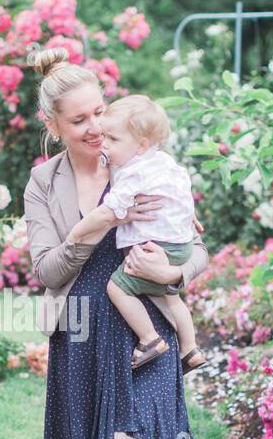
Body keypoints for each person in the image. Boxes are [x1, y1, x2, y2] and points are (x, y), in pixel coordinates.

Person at [23, 46, 210, 439]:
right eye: (78, 120)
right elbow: (46, 269)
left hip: (141, 334)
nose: (95, 127)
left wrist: (175, 272)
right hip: (79, 335)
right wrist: (93, 226)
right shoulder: (44, 183)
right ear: (54, 127)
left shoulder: (139, 157)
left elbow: (195, 248)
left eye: (100, 111)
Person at [78, 92, 205, 373]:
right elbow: (181, 193)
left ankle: (149, 339)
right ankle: (190, 348)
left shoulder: (134, 173)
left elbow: (112, 208)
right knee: (172, 298)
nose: (104, 144)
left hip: (153, 248)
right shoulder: (166, 164)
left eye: (112, 140)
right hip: (178, 245)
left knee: (118, 288)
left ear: (141, 145)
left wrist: (82, 228)